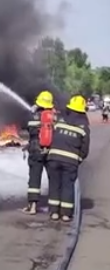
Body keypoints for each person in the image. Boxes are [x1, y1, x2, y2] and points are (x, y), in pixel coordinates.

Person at [46, 94, 90, 222]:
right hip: (70, 161)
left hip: (53, 158)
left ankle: (54, 212)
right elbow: (85, 148)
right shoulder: (83, 127)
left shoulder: (60, 120)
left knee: (54, 185)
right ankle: (65, 214)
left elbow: (50, 137)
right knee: (67, 186)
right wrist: (79, 159)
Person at [22, 90, 55, 215]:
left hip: (35, 149)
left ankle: (32, 207)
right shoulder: (53, 116)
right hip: (50, 150)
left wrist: (31, 111)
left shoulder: (32, 116)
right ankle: (54, 208)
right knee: (53, 177)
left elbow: (27, 128)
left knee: (34, 178)